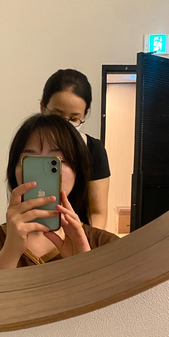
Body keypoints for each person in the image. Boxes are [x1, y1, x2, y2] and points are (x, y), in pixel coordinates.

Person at [0, 114, 118, 271]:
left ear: (77, 171)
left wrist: (84, 266)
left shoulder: (106, 245)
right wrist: (10, 252)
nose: (42, 173)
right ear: (14, 170)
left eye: (57, 160)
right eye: (30, 160)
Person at [40, 69, 110, 229]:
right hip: (35, 234)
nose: (65, 125)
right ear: (43, 107)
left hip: (80, 237)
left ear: (84, 114)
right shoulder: (29, 147)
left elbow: (98, 213)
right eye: (57, 116)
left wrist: (85, 242)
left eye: (74, 118)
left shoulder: (93, 150)